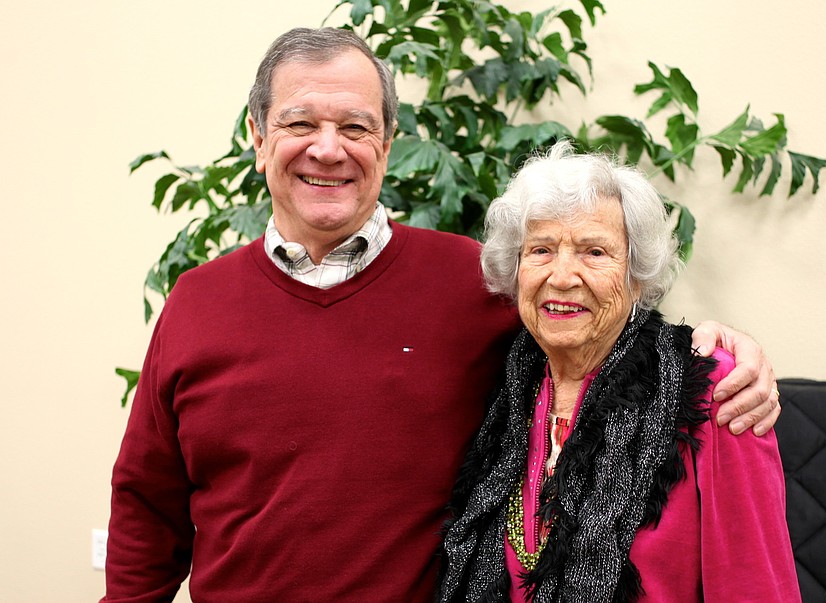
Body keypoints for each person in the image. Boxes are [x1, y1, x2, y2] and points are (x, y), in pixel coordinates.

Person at [102, 28, 782, 603]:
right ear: (257, 136)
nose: (328, 148)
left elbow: (601, 327)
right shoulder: (196, 300)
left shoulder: (474, 283)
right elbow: (147, 508)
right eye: (300, 123)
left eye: (356, 126)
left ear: (388, 142)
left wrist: (723, 347)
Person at [438, 142, 800, 602]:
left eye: (594, 252)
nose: (563, 276)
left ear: (637, 275)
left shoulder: (716, 390)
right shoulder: (506, 390)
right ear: (516, 270)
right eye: (542, 250)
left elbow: (756, 584)